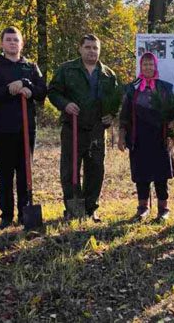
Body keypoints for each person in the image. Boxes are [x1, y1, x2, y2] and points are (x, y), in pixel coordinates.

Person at [48, 34, 118, 222]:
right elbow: (53, 92)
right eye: (88, 47)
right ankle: (73, 208)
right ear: (80, 48)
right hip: (73, 128)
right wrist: (65, 104)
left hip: (97, 130)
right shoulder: (67, 69)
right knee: (69, 170)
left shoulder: (108, 75)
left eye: (95, 48)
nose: (92, 51)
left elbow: (116, 101)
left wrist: (111, 114)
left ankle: (90, 208)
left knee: (95, 170)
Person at [0, 27, 47, 228]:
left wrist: (27, 85)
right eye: (8, 40)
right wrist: (7, 89)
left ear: (22, 43)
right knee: (4, 173)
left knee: (25, 171)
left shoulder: (30, 66)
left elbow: (42, 91)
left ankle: (24, 211)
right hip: (3, 128)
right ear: (2, 43)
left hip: (26, 129)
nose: (12, 43)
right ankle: (6, 214)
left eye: (16, 40)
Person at [118, 52, 174, 221]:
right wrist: (122, 136)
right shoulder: (132, 88)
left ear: (156, 66)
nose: (148, 67)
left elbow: (173, 112)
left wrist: (171, 130)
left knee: (161, 175)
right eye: (145, 65)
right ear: (141, 67)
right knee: (141, 175)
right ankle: (142, 208)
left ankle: (163, 210)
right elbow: (124, 115)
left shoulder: (165, 87)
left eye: (151, 65)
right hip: (139, 137)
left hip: (160, 138)